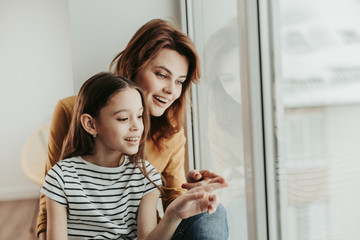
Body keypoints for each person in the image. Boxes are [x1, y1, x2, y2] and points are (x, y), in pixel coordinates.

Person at [37, 19, 229, 239]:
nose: (171, 90)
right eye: (162, 75)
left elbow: (171, 198)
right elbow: (49, 202)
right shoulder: (70, 112)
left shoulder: (171, 130)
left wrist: (194, 193)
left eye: (179, 82)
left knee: (213, 213)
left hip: (149, 233)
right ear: (134, 66)